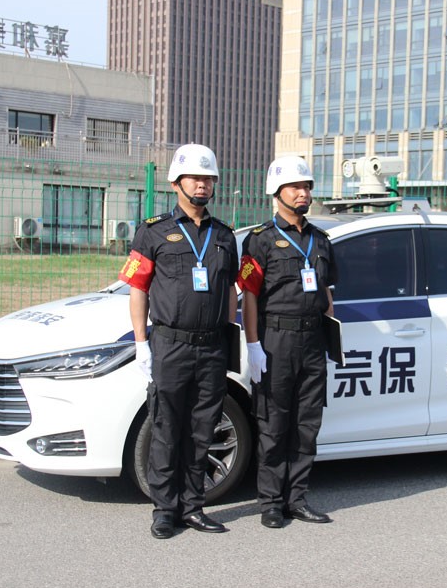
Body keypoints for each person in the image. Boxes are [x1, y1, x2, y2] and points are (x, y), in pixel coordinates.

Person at [118, 143, 239, 540]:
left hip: (212, 346)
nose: (202, 185)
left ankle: (193, 506)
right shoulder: (153, 231)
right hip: (170, 344)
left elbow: (230, 291)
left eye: (208, 179)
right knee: (167, 427)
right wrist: (142, 343)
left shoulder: (224, 236)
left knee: (203, 428)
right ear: (175, 183)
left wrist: (230, 337)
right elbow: (138, 288)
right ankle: (164, 509)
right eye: (195, 178)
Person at [237, 156, 338, 529]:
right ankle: (270, 503)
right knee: (274, 424)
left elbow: (327, 291)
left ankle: (297, 499)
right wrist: (253, 344)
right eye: (295, 187)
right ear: (276, 192)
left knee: (307, 424)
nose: (303, 193)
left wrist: (331, 334)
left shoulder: (320, 239)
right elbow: (249, 295)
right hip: (275, 341)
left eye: (307, 186)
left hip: (312, 340)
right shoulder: (260, 240)